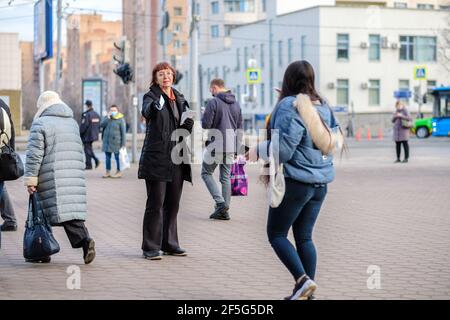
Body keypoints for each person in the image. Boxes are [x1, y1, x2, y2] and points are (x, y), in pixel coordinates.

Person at [248, 61, 341, 300]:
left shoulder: (290, 106)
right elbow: (335, 139)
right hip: (320, 184)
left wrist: (256, 150)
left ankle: (302, 281)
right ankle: (306, 294)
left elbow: (285, 150)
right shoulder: (322, 105)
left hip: (297, 183)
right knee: (305, 237)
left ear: (287, 80)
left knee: (276, 234)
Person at [24, 91, 95, 264]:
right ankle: (85, 241)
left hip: (49, 174)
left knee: (41, 213)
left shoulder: (40, 123)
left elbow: (34, 155)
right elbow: (79, 149)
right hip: (72, 173)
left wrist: (31, 179)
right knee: (69, 212)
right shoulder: (71, 122)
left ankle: (42, 251)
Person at [139, 62, 194, 261]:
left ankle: (170, 243)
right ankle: (150, 247)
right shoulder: (151, 97)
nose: (166, 77)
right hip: (157, 158)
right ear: (155, 78)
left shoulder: (179, 98)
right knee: (156, 203)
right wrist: (155, 106)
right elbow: (147, 112)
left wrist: (189, 123)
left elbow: (185, 129)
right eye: (161, 74)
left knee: (173, 203)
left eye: (169, 74)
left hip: (177, 157)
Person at [201, 78, 243, 220]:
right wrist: (237, 148)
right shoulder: (237, 104)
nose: (211, 93)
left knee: (206, 172)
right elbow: (240, 128)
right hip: (231, 146)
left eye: (211, 90)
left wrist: (204, 113)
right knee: (225, 177)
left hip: (216, 145)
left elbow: (206, 124)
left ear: (214, 88)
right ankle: (224, 211)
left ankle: (220, 203)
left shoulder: (213, 102)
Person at [0, 98, 17, 237]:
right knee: (1, 187)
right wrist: (11, 151)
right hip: (3, 154)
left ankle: (10, 220)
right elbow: (11, 129)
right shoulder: (3, 104)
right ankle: (10, 220)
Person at [100, 105, 126, 179]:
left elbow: (123, 132)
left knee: (117, 158)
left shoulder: (120, 119)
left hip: (116, 142)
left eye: (114, 110)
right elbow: (101, 125)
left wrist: (123, 144)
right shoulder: (107, 118)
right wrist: (107, 118)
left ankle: (118, 172)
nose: (112, 112)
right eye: (111, 110)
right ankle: (107, 172)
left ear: (117, 111)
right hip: (107, 142)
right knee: (107, 158)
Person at [80, 100, 101, 170]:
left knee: (88, 150)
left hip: (87, 136)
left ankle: (96, 160)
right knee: (88, 149)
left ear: (87, 106)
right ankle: (89, 165)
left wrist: (80, 133)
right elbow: (99, 125)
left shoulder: (86, 115)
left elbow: (84, 126)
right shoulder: (96, 114)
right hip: (94, 135)